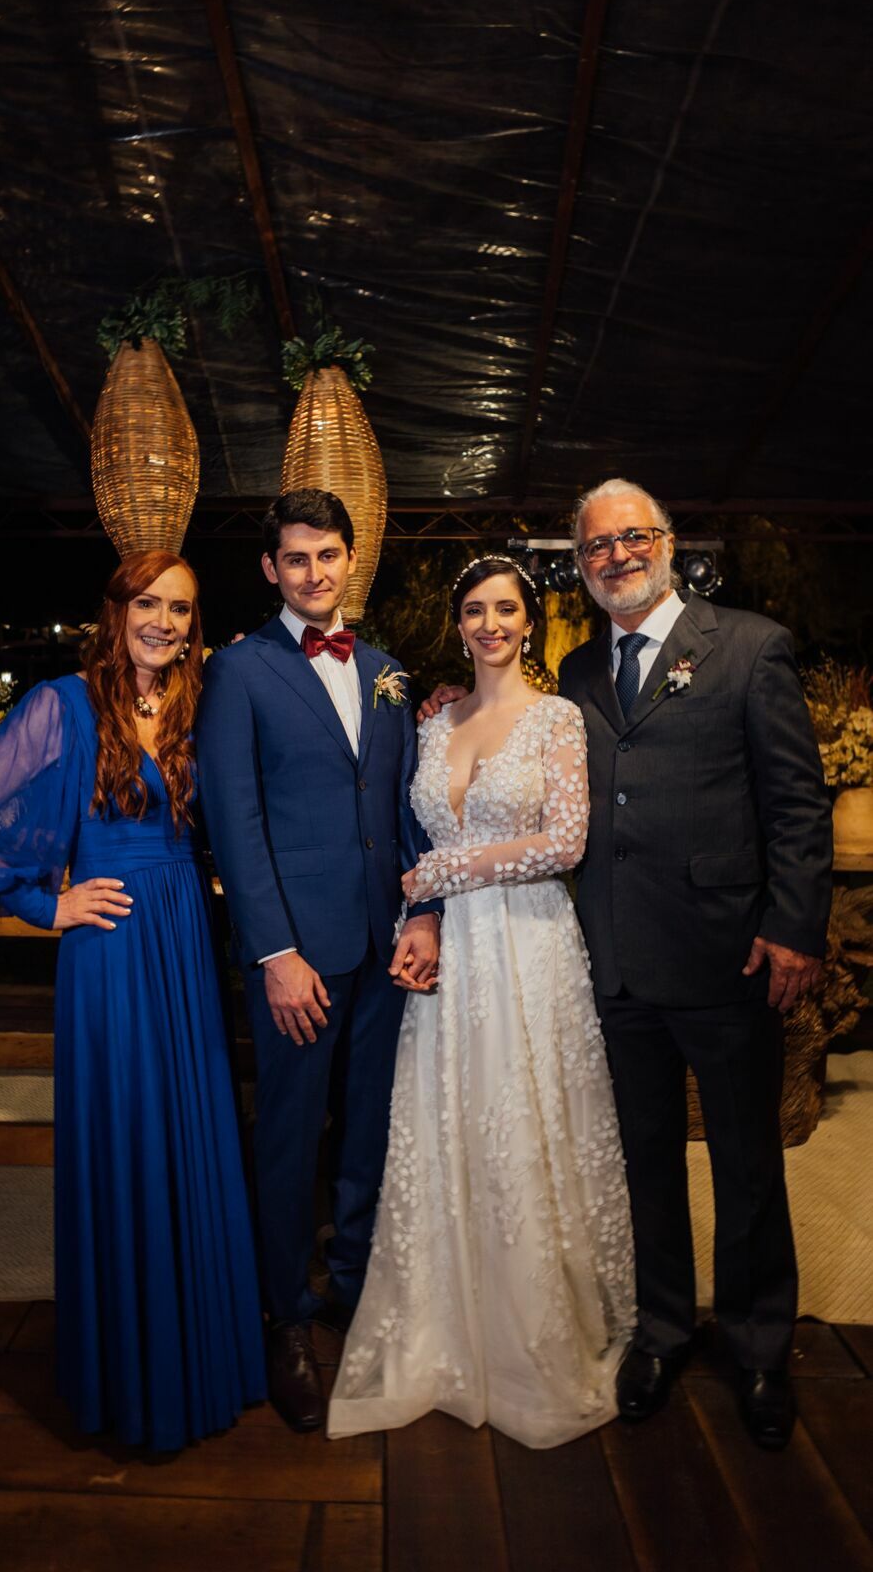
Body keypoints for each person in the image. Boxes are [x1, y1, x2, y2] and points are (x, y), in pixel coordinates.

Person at [422, 479, 834, 1450]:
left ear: (667, 540)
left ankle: (759, 1345)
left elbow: (796, 806)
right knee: (641, 1163)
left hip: (726, 958)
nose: (613, 556)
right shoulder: (571, 673)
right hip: (611, 967)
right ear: (580, 562)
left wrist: (794, 929)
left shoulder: (746, 646)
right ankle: (657, 1329)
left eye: (629, 538)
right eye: (593, 547)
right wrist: (451, 704)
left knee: (744, 1164)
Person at [0, 550, 265, 1450]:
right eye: (148, 602)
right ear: (115, 608)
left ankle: (203, 1362)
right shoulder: (62, 705)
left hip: (185, 938)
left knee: (191, 1133)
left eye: (182, 608)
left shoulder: (200, 703)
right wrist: (46, 904)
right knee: (126, 1137)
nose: (164, 621)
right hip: (109, 947)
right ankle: (132, 1379)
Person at [328, 556, 635, 1447]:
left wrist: (445, 869)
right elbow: (413, 826)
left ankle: (533, 1335)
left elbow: (566, 841)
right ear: (457, 625)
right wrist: (423, 907)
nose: (490, 622)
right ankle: (445, 1326)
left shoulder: (557, 719)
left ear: (528, 623)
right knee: (450, 1123)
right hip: (448, 954)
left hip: (527, 947)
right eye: (474, 609)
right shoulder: (433, 722)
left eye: (506, 608)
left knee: (524, 1121)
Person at [195, 488, 441, 1434]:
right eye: (294, 559)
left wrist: (422, 914)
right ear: (271, 569)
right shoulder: (241, 671)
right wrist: (274, 950)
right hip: (297, 950)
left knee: (372, 1128)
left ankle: (354, 1290)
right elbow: (233, 819)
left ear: (350, 559)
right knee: (291, 1136)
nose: (313, 572)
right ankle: (284, 1318)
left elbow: (407, 805)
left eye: (327, 555)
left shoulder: (387, 671)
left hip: (386, 943)